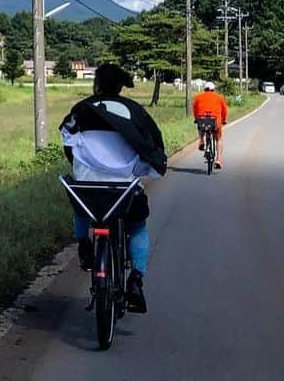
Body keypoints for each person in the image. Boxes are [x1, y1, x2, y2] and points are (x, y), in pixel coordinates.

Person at [59, 63, 167, 314]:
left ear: (96, 84)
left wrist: (82, 169)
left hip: (88, 184)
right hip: (124, 187)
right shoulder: (134, 110)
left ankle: (84, 245)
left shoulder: (82, 108)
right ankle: (137, 278)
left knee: (82, 203)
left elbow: (68, 145)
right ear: (120, 86)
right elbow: (154, 144)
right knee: (137, 224)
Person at [192, 81, 228, 169]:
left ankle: (201, 141)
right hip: (215, 122)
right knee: (218, 139)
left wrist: (196, 119)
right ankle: (218, 160)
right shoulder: (219, 97)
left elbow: (195, 109)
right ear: (213, 89)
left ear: (204, 89)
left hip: (202, 120)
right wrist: (223, 120)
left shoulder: (198, 97)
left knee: (201, 128)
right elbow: (224, 110)